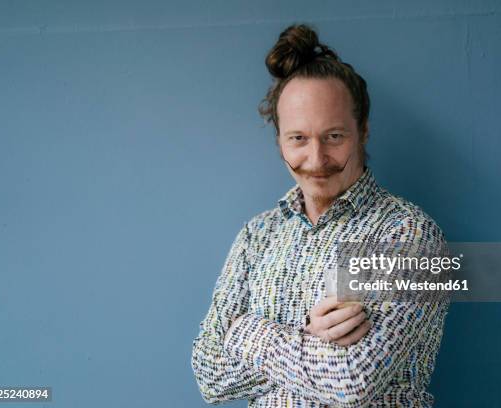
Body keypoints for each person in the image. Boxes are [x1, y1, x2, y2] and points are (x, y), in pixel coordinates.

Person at [191, 23, 451, 407]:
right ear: (279, 139)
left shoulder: (408, 234)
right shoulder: (257, 235)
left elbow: (353, 381)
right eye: (298, 138)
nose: (316, 161)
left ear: (362, 131)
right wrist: (307, 336)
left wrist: (244, 333)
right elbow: (209, 375)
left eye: (334, 137)